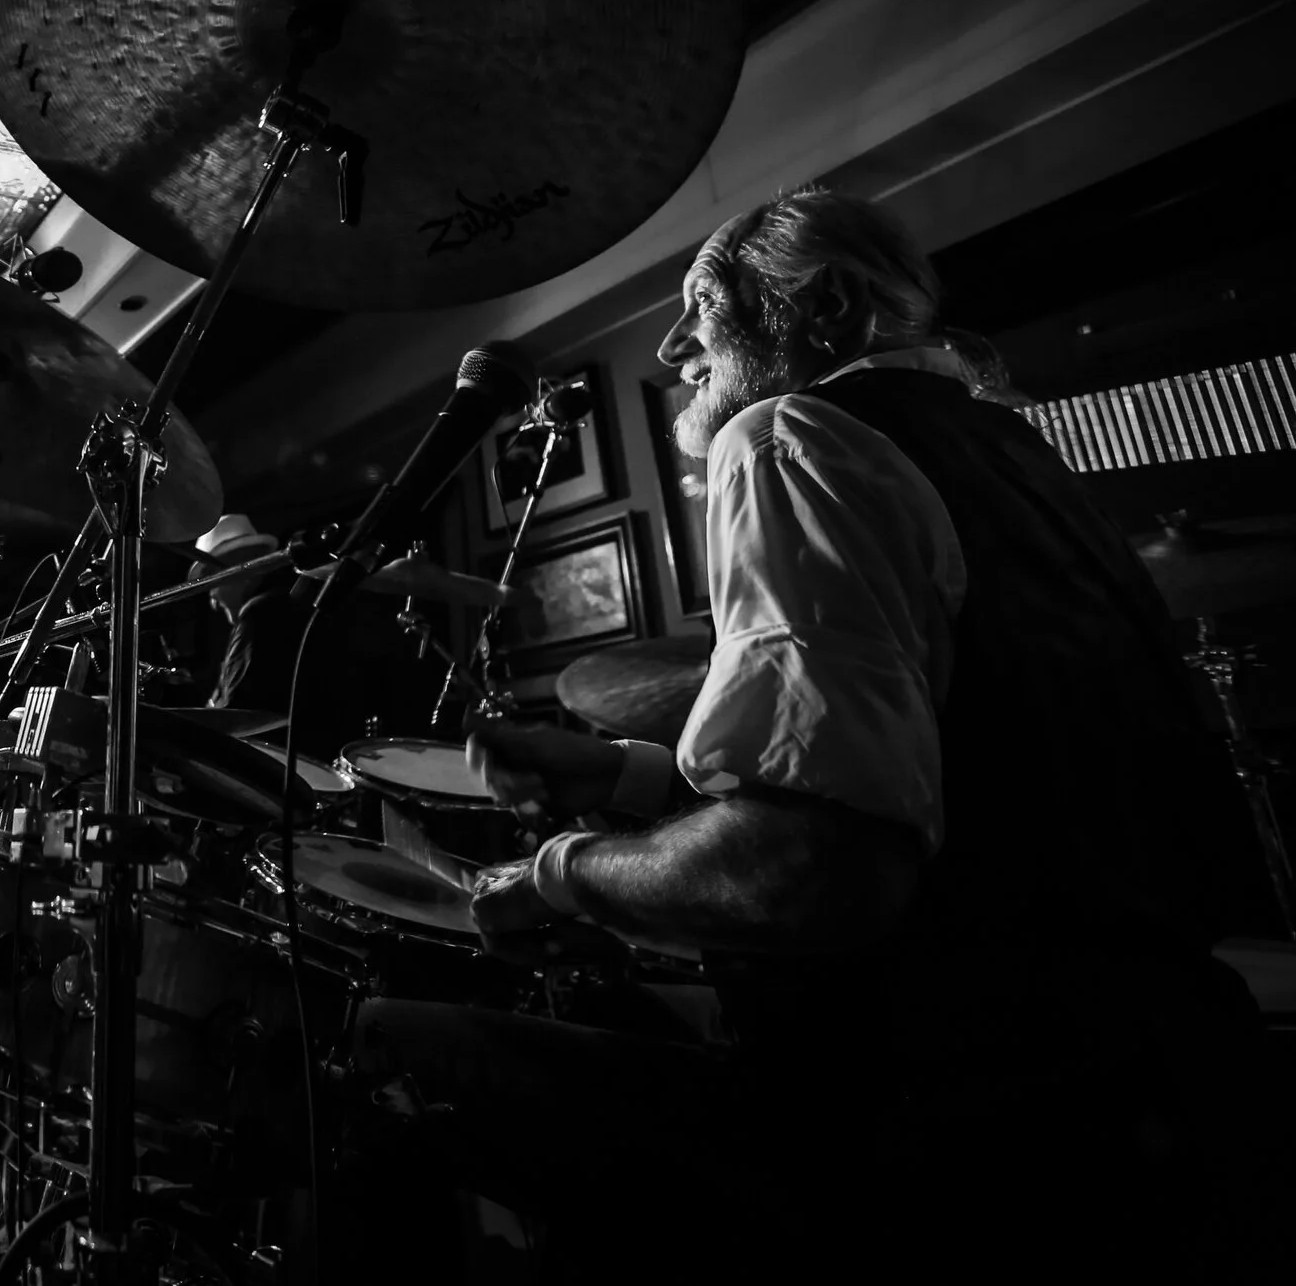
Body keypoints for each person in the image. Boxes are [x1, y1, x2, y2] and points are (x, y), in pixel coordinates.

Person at [351, 188, 1270, 1277]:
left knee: (378, 1043)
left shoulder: (789, 433)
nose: (670, 345)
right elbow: (965, 775)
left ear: (823, 307)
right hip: (1176, 1090)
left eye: (703, 304)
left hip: (950, 1137)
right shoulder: (1018, 455)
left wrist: (560, 874)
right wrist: (624, 773)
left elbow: (816, 865)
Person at [191, 512, 296, 712]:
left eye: (212, 579)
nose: (212, 596)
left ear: (242, 571)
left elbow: (235, 716)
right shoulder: (278, 605)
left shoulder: (257, 615)